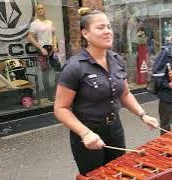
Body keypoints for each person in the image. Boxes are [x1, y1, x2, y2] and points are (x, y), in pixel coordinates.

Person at [53, 8, 159, 175]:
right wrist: (85, 133)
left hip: (115, 129)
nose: (107, 31)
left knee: (119, 173)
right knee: (95, 176)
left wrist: (142, 115)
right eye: (100, 27)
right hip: (88, 133)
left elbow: (124, 94)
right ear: (85, 33)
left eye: (109, 27)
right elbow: (60, 109)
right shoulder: (74, 67)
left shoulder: (117, 60)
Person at [27, 3, 59, 103]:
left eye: (42, 8)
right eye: (39, 9)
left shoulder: (49, 22)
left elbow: (54, 34)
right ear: (37, 11)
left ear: (45, 10)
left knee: (57, 71)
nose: (41, 10)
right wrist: (41, 48)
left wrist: (55, 45)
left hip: (51, 49)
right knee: (45, 73)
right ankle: (49, 95)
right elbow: (30, 37)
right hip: (43, 49)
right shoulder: (35, 23)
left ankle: (58, 94)